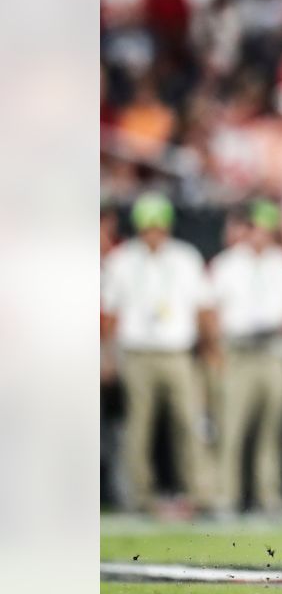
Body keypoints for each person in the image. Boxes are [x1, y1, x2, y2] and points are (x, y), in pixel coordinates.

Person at [101, 193, 216, 514]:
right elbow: (109, 313)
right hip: (137, 353)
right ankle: (137, 494)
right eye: (147, 226)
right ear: (139, 227)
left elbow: (203, 308)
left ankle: (200, 492)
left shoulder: (185, 257)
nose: (153, 232)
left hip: (176, 352)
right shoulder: (122, 260)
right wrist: (107, 356)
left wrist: (209, 349)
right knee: (138, 425)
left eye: (158, 225)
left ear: (167, 226)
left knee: (188, 421)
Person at [208, 200, 282, 516]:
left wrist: (274, 321)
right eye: (257, 229)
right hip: (238, 352)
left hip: (273, 352)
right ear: (248, 229)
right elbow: (211, 311)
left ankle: (269, 496)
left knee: (271, 430)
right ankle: (226, 496)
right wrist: (215, 351)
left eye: (268, 230)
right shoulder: (227, 264)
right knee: (232, 426)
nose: (261, 236)